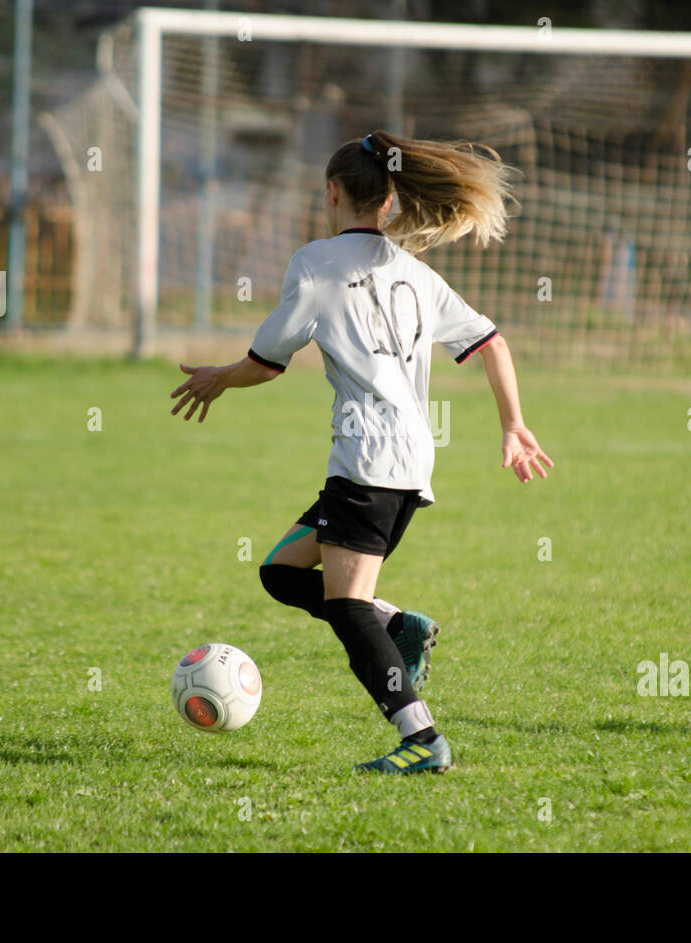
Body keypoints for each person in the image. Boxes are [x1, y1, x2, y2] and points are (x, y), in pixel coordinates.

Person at [169, 131, 553, 774]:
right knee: (281, 573)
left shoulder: (315, 263)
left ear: (333, 192)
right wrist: (513, 424)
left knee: (348, 608)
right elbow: (493, 344)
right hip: (407, 461)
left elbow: (267, 364)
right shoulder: (416, 273)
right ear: (389, 198)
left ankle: (423, 739)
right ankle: (400, 624)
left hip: (367, 460)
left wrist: (216, 378)